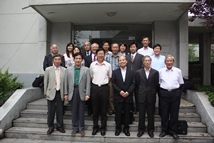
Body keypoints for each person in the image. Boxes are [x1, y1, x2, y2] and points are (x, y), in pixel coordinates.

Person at [64, 52, 91, 137]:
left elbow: (88, 83)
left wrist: (87, 94)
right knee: (74, 111)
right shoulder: (68, 69)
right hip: (73, 91)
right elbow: (66, 83)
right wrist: (66, 93)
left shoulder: (86, 69)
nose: (78, 60)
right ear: (74, 59)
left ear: (82, 60)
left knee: (81, 111)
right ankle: (74, 128)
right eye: (76, 58)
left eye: (80, 58)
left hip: (82, 92)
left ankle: (81, 128)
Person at [159, 55, 184, 140]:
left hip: (175, 94)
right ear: (165, 62)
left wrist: (177, 92)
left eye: (171, 61)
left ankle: (173, 131)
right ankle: (164, 130)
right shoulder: (161, 71)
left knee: (174, 113)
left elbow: (180, 82)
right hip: (164, 94)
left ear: (173, 62)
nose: (169, 62)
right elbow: (159, 82)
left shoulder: (178, 71)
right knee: (164, 113)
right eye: (167, 61)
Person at [135, 56, 159, 138]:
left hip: (151, 96)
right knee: (141, 114)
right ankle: (141, 130)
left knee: (151, 114)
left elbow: (156, 85)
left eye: (149, 60)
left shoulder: (155, 72)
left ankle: (150, 130)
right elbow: (137, 85)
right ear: (143, 62)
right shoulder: (138, 72)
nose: (147, 62)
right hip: (141, 96)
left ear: (151, 62)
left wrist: (152, 91)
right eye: (146, 60)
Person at [90, 48, 112, 136]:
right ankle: (95, 127)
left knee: (103, 109)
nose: (100, 55)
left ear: (104, 55)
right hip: (95, 88)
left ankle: (103, 127)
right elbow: (91, 77)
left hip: (104, 88)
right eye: (99, 53)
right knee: (95, 109)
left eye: (102, 53)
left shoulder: (108, 65)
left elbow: (109, 77)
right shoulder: (92, 65)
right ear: (96, 55)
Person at [112, 56, 135, 137]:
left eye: (123, 60)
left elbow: (133, 83)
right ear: (118, 62)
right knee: (118, 114)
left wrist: (128, 92)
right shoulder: (114, 72)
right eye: (120, 60)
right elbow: (113, 84)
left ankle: (126, 128)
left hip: (128, 96)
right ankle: (118, 128)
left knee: (127, 114)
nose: (122, 61)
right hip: (118, 96)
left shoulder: (132, 72)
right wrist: (120, 91)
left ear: (126, 61)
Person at [44, 54, 66, 135]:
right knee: (51, 111)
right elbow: (46, 81)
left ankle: (60, 126)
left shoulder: (64, 70)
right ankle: (50, 127)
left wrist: (65, 93)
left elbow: (65, 83)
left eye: (59, 59)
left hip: (60, 92)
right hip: (51, 92)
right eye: (55, 59)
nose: (57, 61)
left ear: (61, 61)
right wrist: (45, 92)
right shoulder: (48, 70)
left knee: (60, 111)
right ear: (53, 60)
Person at [126, 41, 144, 112]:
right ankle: (131, 108)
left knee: (137, 94)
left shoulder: (141, 56)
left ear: (136, 48)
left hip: (138, 78)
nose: (132, 48)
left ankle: (138, 109)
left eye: (134, 47)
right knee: (129, 93)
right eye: (131, 47)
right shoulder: (126, 57)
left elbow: (142, 67)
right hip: (129, 78)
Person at [84, 43, 99, 116]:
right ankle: (90, 110)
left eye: (96, 47)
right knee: (90, 94)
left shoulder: (101, 57)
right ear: (91, 48)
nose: (94, 49)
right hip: (89, 78)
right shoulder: (87, 58)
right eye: (93, 47)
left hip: (99, 78)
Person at [150, 44, 165, 116]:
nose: (156, 50)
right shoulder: (150, 58)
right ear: (153, 50)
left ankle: (161, 112)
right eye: (155, 49)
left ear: (160, 50)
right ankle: (151, 111)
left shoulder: (164, 58)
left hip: (161, 81)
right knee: (152, 97)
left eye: (158, 49)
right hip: (152, 81)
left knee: (161, 97)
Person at [106, 43, 120, 115]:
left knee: (119, 95)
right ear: (111, 48)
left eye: (116, 47)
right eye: (113, 47)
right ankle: (112, 109)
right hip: (110, 79)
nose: (115, 49)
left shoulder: (121, 57)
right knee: (111, 95)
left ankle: (119, 109)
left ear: (118, 48)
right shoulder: (107, 57)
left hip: (119, 79)